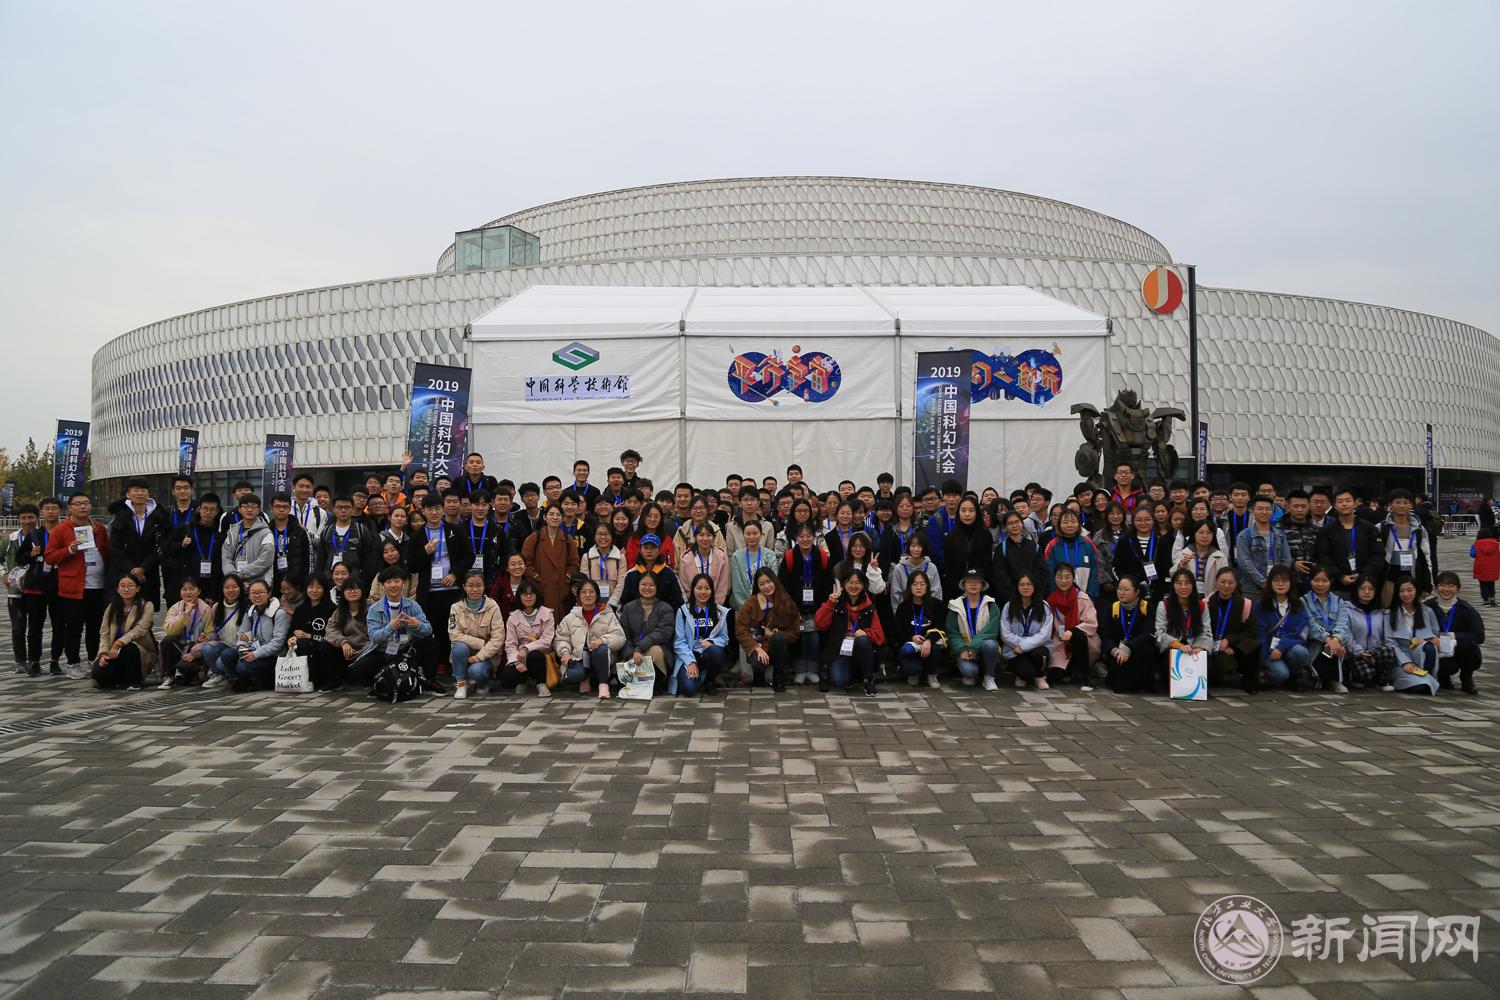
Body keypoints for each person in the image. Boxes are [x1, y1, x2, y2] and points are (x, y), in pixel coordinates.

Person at [44, 493, 112, 678]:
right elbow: (49, 556)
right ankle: (73, 663)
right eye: (78, 504)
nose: (83, 507)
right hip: (74, 587)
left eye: (86, 503)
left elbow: (107, 552)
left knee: (96, 626)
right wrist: (70, 550)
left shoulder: (99, 528)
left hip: (98, 586)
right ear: (69, 508)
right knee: (74, 627)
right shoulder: (61, 529)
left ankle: (93, 660)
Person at [411, 493, 474, 675]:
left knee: (453, 627)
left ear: (443, 509)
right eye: (430, 509)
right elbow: (412, 566)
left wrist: (455, 574)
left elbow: (468, 556)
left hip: (452, 589)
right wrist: (425, 552)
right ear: (423, 511)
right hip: (429, 591)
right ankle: (436, 663)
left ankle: (453, 662)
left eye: (437, 508)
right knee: (433, 628)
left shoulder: (455, 530)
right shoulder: (417, 536)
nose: (434, 512)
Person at [355, 566, 437, 688]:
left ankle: (430, 681)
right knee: (359, 668)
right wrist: (390, 627)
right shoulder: (374, 609)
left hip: (408, 648)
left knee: (431, 644)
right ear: (383, 585)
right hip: (385, 650)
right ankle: (379, 683)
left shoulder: (413, 605)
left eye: (397, 581)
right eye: (388, 582)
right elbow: (374, 637)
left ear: (403, 584)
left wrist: (417, 625)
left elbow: (428, 630)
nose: (393, 585)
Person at [813, 567, 883, 696]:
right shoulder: (836, 602)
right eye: (850, 582)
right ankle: (851, 676)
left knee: (862, 640)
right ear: (844, 584)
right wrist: (830, 603)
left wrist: (866, 633)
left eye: (858, 582)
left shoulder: (869, 607)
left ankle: (868, 681)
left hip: (859, 652)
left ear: (863, 585)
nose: (853, 586)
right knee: (839, 681)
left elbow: (879, 636)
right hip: (840, 652)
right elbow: (819, 624)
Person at [780, 524, 834, 684]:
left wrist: (822, 606)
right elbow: (784, 585)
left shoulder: (822, 556)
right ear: (796, 538)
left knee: (815, 637)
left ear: (814, 538)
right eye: (801, 536)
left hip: (818, 606)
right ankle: (800, 669)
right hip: (795, 606)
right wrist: (793, 608)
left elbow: (828, 583)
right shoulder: (789, 557)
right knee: (799, 637)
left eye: (808, 536)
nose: (805, 539)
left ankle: (812, 669)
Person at [554, 579, 624, 699]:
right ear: (578, 596)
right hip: (579, 658)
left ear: (597, 595)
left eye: (591, 592)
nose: (587, 595)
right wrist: (565, 652)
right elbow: (560, 639)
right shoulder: (570, 617)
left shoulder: (608, 614)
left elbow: (620, 637)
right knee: (574, 675)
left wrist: (602, 641)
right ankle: (584, 678)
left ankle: (603, 684)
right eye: (583, 592)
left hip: (602, 658)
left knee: (601, 649)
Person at [733, 567, 799, 692]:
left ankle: (778, 677)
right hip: (757, 645)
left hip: (777, 648)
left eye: (769, 581)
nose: (767, 586)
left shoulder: (785, 600)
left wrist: (775, 635)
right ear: (757, 586)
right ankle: (758, 675)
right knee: (757, 663)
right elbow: (740, 630)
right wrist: (756, 648)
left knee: (777, 638)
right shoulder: (751, 602)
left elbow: (795, 631)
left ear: (775, 581)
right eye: (762, 584)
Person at [106, 478, 167, 609]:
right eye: (136, 490)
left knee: (146, 612)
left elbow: (161, 546)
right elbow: (115, 548)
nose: (140, 493)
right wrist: (133, 570)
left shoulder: (159, 516)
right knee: (122, 612)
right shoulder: (120, 516)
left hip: (148, 573)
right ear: (128, 494)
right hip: (124, 573)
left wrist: (143, 568)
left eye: (143, 490)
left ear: (148, 494)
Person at [1315, 486, 1386, 598]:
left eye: (1348, 500)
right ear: (1334, 505)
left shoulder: (1368, 528)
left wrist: (1364, 575)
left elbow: (1378, 554)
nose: (1344, 504)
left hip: (1365, 585)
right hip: (1337, 586)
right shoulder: (1327, 530)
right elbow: (1323, 556)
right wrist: (1339, 576)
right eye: (1340, 501)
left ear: (1355, 503)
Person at [91, 575, 157, 690]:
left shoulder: (146, 606)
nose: (126, 589)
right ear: (117, 589)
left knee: (128, 648)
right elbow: (104, 633)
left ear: (138, 588)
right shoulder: (112, 607)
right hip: (113, 652)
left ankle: (135, 682)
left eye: (130, 586)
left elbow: (139, 630)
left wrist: (118, 644)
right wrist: (103, 654)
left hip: (137, 650)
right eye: (122, 586)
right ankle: (120, 678)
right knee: (99, 674)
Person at [1154, 568, 1213, 695]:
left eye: (1187, 583)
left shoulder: (1201, 606)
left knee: (1208, 664)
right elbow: (1160, 633)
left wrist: (1200, 647)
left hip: (1195, 647)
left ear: (1193, 586)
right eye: (1179, 583)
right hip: (1173, 648)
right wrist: (1178, 645)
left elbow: (1207, 631)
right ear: (1173, 585)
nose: (1183, 587)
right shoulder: (1164, 605)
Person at [449, 570, 506, 699]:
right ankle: (461, 684)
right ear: (464, 587)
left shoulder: (493, 607)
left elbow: (498, 638)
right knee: (458, 648)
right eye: (470, 586)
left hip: (487, 656)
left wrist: (480, 656)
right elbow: (454, 634)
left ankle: (482, 684)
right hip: (466, 652)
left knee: (476, 671)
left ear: (484, 586)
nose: (475, 589)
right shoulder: (455, 608)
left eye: (479, 585)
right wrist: (481, 643)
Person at [1253, 566, 1311, 692]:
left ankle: (1293, 677)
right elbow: (1260, 637)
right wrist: (1259, 666)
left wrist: (1281, 647)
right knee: (1280, 674)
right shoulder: (1261, 606)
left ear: (1291, 583)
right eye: (1276, 580)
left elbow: (1302, 631)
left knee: (1301, 652)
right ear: (1270, 583)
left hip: (1289, 648)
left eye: (1284, 580)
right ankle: (1268, 676)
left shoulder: (1298, 605)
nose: (1280, 584)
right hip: (1269, 652)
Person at [1426, 571, 1484, 695]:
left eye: (1451, 586)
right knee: (1444, 665)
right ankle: (1442, 677)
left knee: (1469, 646)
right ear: (1436, 588)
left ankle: (1466, 677)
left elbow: (1479, 636)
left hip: (1459, 649)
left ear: (1458, 589)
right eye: (1442, 585)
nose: (1446, 589)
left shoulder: (1467, 609)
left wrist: (1454, 636)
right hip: (1437, 649)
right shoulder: (1427, 607)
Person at [225, 579, 288, 691]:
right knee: (227, 655)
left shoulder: (279, 614)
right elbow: (242, 634)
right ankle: (247, 681)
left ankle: (262, 680)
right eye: (253, 593)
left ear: (268, 594)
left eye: (261, 592)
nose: (257, 596)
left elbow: (277, 644)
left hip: (274, 656)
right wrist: (242, 646)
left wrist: (255, 654)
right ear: (249, 596)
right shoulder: (250, 612)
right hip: (254, 650)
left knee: (242, 667)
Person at [672, 574, 730, 697]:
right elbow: (679, 642)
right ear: (693, 590)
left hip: (707, 653)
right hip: (689, 654)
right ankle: (698, 677)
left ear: (712, 591)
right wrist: (690, 662)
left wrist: (712, 642)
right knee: (689, 689)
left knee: (716, 651)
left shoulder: (719, 611)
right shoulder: (683, 611)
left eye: (707, 588)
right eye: (699, 588)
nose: (703, 592)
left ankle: (709, 680)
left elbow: (724, 638)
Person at [618, 571, 677, 689]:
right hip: (634, 652)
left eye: (651, 585)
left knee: (655, 650)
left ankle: (658, 682)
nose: (647, 588)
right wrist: (631, 654)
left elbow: (662, 633)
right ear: (638, 586)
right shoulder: (628, 608)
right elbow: (625, 635)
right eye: (643, 584)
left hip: (657, 650)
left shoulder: (665, 608)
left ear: (657, 587)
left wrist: (640, 649)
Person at [1206, 567, 1260, 694]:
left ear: (1236, 583)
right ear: (1216, 582)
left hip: (1235, 645)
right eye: (1223, 582)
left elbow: (1251, 632)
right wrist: (1219, 644)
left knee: (1253, 645)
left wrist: (1229, 641)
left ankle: (1250, 682)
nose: (1226, 586)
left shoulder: (1245, 604)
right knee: (1221, 668)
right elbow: (1202, 631)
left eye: (1231, 582)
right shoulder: (1207, 604)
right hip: (1212, 645)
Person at [1045, 564, 1100, 690]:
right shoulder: (1050, 600)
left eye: (1067, 577)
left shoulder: (1082, 598)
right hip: (1060, 643)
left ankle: (1086, 677)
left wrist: (1072, 630)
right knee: (1054, 676)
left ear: (1073, 578)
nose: (1063, 581)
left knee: (1078, 635)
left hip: (1084, 641)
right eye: (1059, 577)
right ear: (1054, 578)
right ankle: (1071, 670)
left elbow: (1091, 623)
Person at [945, 568, 1001, 690]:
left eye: (977, 581)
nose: (973, 584)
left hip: (982, 648)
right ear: (964, 585)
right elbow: (952, 633)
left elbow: (991, 632)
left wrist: (973, 647)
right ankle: (972, 674)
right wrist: (963, 649)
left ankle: (988, 676)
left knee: (991, 644)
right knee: (969, 672)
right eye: (969, 581)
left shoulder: (991, 604)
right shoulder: (955, 606)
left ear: (982, 585)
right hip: (965, 650)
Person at [162, 494, 224, 603]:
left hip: (205, 588)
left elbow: (218, 568)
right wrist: (181, 545)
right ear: (199, 509)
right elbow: (166, 548)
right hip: (182, 587)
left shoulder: (219, 536)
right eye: (205, 508)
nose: (208, 512)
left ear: (217, 511)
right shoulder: (186, 529)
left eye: (212, 509)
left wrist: (212, 594)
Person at [890, 568, 945, 689]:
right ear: (909, 586)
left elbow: (940, 627)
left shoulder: (936, 605)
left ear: (927, 586)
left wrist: (929, 640)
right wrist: (911, 638)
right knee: (912, 667)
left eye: (922, 584)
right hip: (910, 645)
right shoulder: (903, 607)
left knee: (934, 649)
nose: (918, 587)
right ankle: (914, 673)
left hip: (929, 646)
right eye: (915, 584)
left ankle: (932, 674)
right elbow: (897, 632)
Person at [1102, 576, 1157, 694]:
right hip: (1118, 650)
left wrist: (1129, 648)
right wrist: (1114, 650)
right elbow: (1106, 636)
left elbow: (1147, 633)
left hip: (1138, 649)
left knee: (1147, 650)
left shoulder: (1146, 607)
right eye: (1119, 588)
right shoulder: (1112, 608)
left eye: (1126, 589)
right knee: (1119, 683)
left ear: (1137, 592)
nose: (1121, 592)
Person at [1302, 566, 1353, 692]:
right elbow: (1311, 625)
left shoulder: (1338, 601)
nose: (1320, 584)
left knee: (1339, 647)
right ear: (1310, 581)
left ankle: (1337, 682)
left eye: (1324, 581)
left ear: (1331, 581)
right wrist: (1328, 639)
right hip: (1314, 645)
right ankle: (1321, 679)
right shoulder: (1303, 601)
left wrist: (1336, 639)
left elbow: (1343, 623)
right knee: (1319, 675)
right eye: (1316, 580)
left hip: (1334, 646)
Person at [158, 576, 216, 688]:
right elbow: (170, 630)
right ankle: (169, 676)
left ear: (199, 591)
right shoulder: (175, 608)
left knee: (186, 667)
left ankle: (193, 675)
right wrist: (185, 614)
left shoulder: (206, 609)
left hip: (197, 649)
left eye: (192, 589)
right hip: (180, 646)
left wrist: (194, 652)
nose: (188, 592)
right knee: (168, 640)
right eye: (184, 589)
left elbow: (211, 635)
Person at [521, 504, 578, 616]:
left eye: (558, 515)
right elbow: (526, 561)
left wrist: (567, 577)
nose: (555, 517)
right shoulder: (534, 538)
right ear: (544, 517)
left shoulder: (568, 540)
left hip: (561, 589)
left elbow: (574, 563)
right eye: (551, 514)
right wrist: (536, 577)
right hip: (540, 587)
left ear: (562, 518)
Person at [315, 576, 370, 692]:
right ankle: (335, 681)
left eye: (356, 589)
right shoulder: (340, 610)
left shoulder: (371, 609)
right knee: (326, 645)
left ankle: (370, 681)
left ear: (362, 591)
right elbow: (331, 629)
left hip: (367, 650)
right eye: (348, 589)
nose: (352, 592)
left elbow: (375, 636)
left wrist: (361, 651)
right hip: (346, 649)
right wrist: (343, 642)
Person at [999, 572, 1052, 690]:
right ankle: (1021, 675)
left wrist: (1024, 646)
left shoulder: (1043, 606)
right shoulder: (1009, 606)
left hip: (1037, 647)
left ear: (1034, 586)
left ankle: (1040, 676)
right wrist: (1020, 645)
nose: (1025, 587)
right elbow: (1005, 633)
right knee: (1026, 674)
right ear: (1017, 587)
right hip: (1015, 648)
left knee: (1041, 655)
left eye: (1029, 584)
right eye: (1022, 585)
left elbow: (1045, 634)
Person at [1110, 504, 1173, 602]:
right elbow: (1116, 567)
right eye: (1139, 520)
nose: (1143, 523)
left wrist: (1166, 592)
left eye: (1147, 519)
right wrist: (1125, 585)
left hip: (1155, 593)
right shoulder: (1125, 541)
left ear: (1153, 520)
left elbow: (1167, 569)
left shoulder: (1161, 542)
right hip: (1130, 593)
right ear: (1133, 521)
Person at [1234, 495, 1292, 600]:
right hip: (1252, 589)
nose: (1264, 512)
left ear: (1272, 512)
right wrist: (1263, 582)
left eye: (1268, 509)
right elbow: (1244, 562)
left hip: (1277, 587)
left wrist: (1278, 580)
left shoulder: (1280, 535)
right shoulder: (1244, 535)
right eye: (1260, 509)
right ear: (1252, 511)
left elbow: (1286, 559)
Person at [1381, 488, 1433, 605]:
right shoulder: (1381, 528)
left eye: (1405, 502)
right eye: (1398, 502)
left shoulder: (1419, 530)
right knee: (1387, 609)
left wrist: (1427, 584)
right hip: (1388, 579)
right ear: (1390, 505)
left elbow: (1426, 557)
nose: (1401, 506)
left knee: (1411, 610)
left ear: (1411, 505)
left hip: (1412, 578)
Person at [501, 581, 554, 697]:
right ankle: (523, 680)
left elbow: (546, 640)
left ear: (537, 595)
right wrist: (516, 662)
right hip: (520, 656)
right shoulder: (513, 617)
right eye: (525, 594)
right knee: (508, 677)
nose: (528, 597)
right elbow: (510, 645)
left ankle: (541, 683)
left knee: (535, 656)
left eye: (532, 594)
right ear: (519, 596)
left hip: (541, 653)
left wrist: (526, 649)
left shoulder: (547, 613)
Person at [1388, 578, 1439, 695]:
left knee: (1429, 648)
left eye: (1410, 590)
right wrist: (1405, 662)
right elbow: (1390, 643)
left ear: (1416, 591)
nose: (1406, 594)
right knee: (1420, 686)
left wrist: (1427, 640)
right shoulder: (1389, 614)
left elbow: (1435, 633)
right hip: (1400, 660)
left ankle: (1429, 677)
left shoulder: (1427, 611)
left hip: (1421, 656)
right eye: (1401, 591)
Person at [284, 572, 335, 687]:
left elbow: (331, 636)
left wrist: (309, 636)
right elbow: (292, 630)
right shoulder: (300, 609)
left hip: (322, 646)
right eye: (311, 587)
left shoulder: (331, 609)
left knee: (308, 643)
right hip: (301, 647)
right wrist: (291, 638)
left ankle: (320, 679)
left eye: (319, 587)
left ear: (325, 589)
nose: (314, 590)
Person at [200, 575, 250, 689]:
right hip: (224, 643)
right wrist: (206, 638)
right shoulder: (217, 607)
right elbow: (215, 630)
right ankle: (220, 676)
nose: (231, 590)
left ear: (241, 588)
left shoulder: (246, 606)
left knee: (224, 658)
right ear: (222, 589)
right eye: (227, 587)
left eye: (234, 587)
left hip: (240, 646)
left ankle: (233, 675)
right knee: (207, 648)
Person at [1345, 575, 1393, 690]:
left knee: (1387, 652)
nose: (1367, 592)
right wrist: (1360, 652)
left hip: (1376, 652)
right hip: (1356, 653)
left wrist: (1375, 653)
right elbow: (1347, 635)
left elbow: (1387, 636)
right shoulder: (1347, 609)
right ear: (1356, 590)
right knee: (1366, 673)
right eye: (1363, 588)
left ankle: (1382, 682)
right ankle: (1356, 678)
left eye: (1371, 589)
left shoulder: (1381, 612)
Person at [1043, 510, 1102, 603]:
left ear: (1079, 524)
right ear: (1059, 525)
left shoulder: (1088, 543)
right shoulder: (1052, 545)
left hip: (1086, 598)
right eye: (1065, 522)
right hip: (1059, 599)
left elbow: (1095, 570)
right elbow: (1049, 573)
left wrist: (1091, 596)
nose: (1070, 525)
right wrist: (1055, 596)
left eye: (1073, 522)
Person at [221, 494, 276, 587]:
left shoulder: (266, 533)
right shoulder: (232, 532)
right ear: (239, 509)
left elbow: (265, 561)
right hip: (236, 586)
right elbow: (225, 556)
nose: (249, 510)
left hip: (259, 585)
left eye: (254, 507)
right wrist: (232, 575)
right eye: (245, 506)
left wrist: (242, 574)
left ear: (259, 510)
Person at [318, 495, 378, 580]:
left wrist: (364, 580)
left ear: (352, 509)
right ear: (334, 509)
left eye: (347, 507)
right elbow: (321, 560)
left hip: (354, 579)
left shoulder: (361, 530)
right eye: (339, 507)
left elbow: (368, 558)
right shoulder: (326, 532)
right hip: (330, 579)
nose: (343, 510)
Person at [265, 494, 311, 593]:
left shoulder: (299, 531)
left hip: (296, 583)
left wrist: (302, 583)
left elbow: (307, 560)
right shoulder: (266, 531)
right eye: (277, 506)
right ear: (271, 508)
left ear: (290, 509)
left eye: (285, 507)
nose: (281, 509)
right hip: (273, 581)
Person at [677, 522, 731, 606]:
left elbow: (722, 586)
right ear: (695, 537)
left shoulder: (721, 557)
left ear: (714, 538)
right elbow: (685, 587)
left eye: (709, 535)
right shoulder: (686, 559)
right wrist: (695, 606)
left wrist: (715, 606)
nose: (705, 539)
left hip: (716, 606)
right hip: (692, 606)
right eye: (701, 535)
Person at [1174, 519, 1230, 598]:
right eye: (1201, 532)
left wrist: (1210, 599)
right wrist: (1182, 565)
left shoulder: (1220, 557)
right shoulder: (1184, 554)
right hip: (1188, 598)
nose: (1204, 536)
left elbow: (1224, 581)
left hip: (1212, 599)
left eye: (1208, 533)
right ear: (1194, 534)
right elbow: (1173, 575)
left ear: (1213, 535)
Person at [728, 520, 773, 610]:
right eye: (748, 534)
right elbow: (737, 586)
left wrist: (765, 603)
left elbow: (773, 580)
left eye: (755, 533)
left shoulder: (770, 554)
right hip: (743, 607)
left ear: (761, 534)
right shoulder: (736, 556)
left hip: (767, 605)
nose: (751, 537)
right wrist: (746, 606)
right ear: (743, 535)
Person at [581, 522, 627, 610]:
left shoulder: (620, 558)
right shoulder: (587, 557)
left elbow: (621, 582)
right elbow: (585, 582)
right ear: (594, 537)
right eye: (599, 534)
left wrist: (613, 601)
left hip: (614, 604)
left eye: (606, 534)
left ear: (612, 536)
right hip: (592, 603)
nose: (603, 537)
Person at [1471, 528, 1499, 607]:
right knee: (1491, 583)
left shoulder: (1476, 545)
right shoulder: (1496, 544)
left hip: (1481, 567)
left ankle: (1486, 600)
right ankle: (1492, 598)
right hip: (1492, 568)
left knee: (1483, 584)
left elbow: (1472, 554)